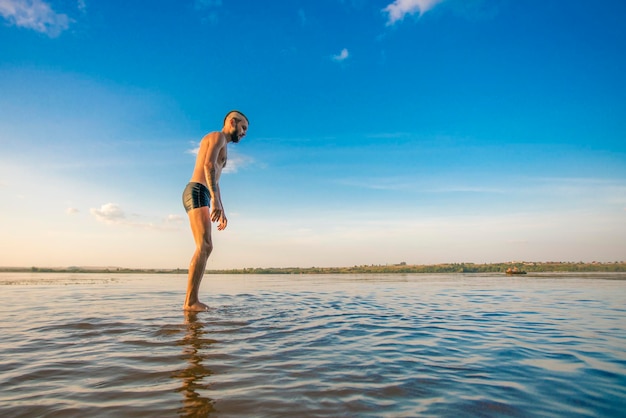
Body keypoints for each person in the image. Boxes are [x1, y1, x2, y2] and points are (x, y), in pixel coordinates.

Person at [181, 110, 249, 311]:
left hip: (205, 192)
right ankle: (190, 302)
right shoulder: (217, 136)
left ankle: (191, 301)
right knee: (204, 245)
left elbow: (217, 182)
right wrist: (213, 201)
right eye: (243, 127)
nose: (244, 133)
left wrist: (221, 206)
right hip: (197, 190)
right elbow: (208, 165)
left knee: (207, 246)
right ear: (232, 122)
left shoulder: (224, 148)